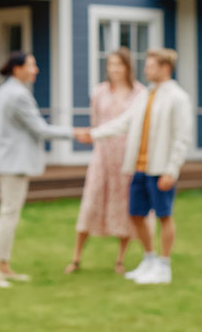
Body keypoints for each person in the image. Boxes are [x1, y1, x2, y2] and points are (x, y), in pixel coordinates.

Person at [75, 48, 193, 285]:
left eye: (151, 66)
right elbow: (123, 123)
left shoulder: (177, 98)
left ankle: (164, 265)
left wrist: (172, 169)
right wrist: (95, 134)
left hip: (161, 168)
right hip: (139, 167)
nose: (146, 70)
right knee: (136, 215)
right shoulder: (145, 96)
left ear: (165, 68)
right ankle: (149, 259)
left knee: (164, 215)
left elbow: (182, 137)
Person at [0, 52, 74, 288]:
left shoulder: (5, 92)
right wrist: (74, 133)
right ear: (17, 68)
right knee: (8, 215)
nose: (36, 69)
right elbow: (40, 129)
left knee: (11, 214)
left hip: (7, 162)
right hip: (13, 164)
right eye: (32, 65)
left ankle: (4, 266)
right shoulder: (18, 95)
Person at [65, 48, 147, 275]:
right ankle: (76, 257)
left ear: (128, 67)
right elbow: (96, 122)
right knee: (91, 201)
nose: (114, 69)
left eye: (119, 64)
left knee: (124, 205)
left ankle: (120, 259)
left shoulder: (139, 93)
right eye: (110, 64)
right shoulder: (99, 92)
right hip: (103, 154)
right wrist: (92, 135)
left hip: (126, 157)